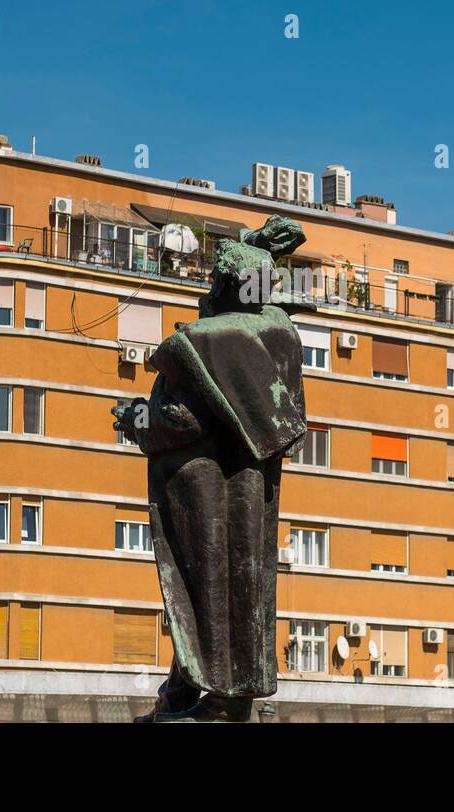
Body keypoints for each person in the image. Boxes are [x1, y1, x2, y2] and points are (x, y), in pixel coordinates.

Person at [113, 214, 309, 722]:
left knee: (200, 590)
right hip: (251, 496)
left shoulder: (206, 344)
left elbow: (182, 418)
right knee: (242, 590)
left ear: (224, 285)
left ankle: (218, 695)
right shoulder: (279, 339)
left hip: (201, 491)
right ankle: (207, 691)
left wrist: (135, 417)